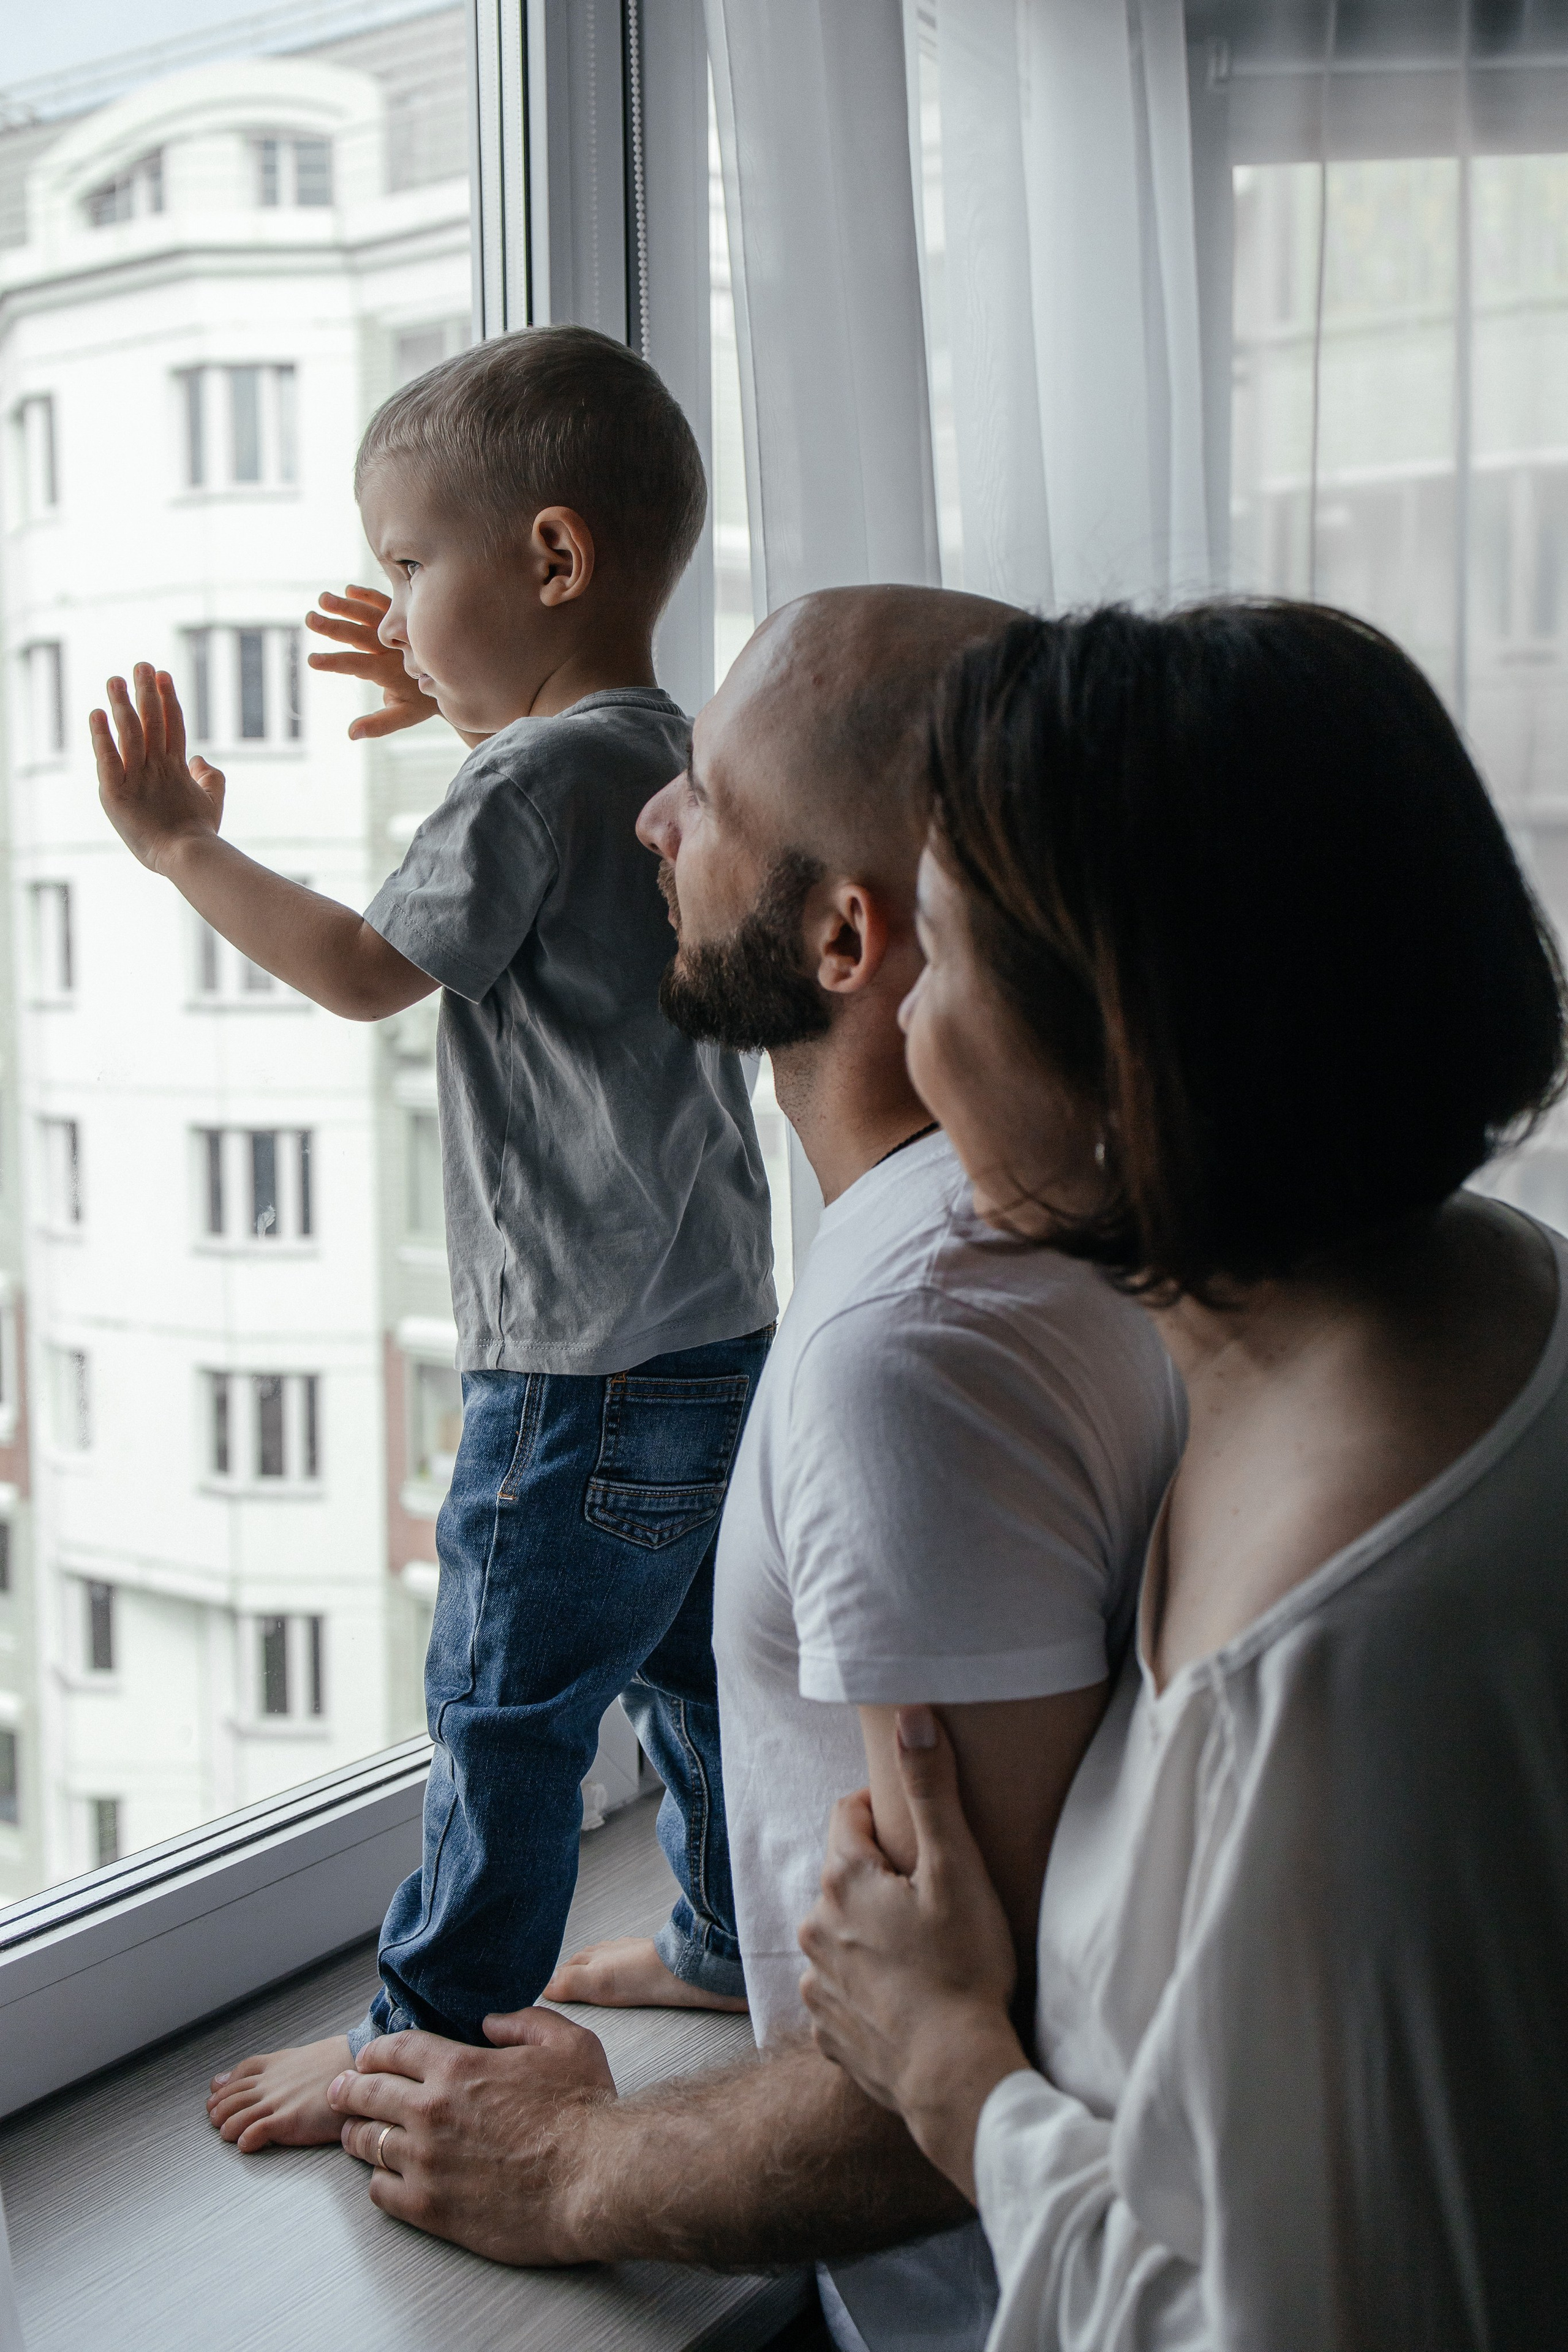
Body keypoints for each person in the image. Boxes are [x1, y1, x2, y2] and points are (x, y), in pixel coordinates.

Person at [324, 586, 1185, 2352]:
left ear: (845, 937)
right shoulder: (1068, 1219)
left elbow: (960, 2070)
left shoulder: (913, 1350)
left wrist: (576, 2164)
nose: (652, 816)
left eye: (705, 792)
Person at [796, 600, 1568, 2351]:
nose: (901, 1017)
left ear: (1119, 1055)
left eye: (944, 956)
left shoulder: (1341, 1663)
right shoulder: (1500, 1294)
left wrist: (959, 2079)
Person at [88, 325, 777, 2152]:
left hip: (572, 1368)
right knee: (700, 1672)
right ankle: (729, 1937)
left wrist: (179, 848)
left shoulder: (524, 786)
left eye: (407, 566)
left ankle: (430, 2037)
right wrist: (472, 710)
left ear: (549, 559)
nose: (389, 614)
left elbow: (362, 969)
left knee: (501, 1710)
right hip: (716, 1336)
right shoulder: (668, 751)